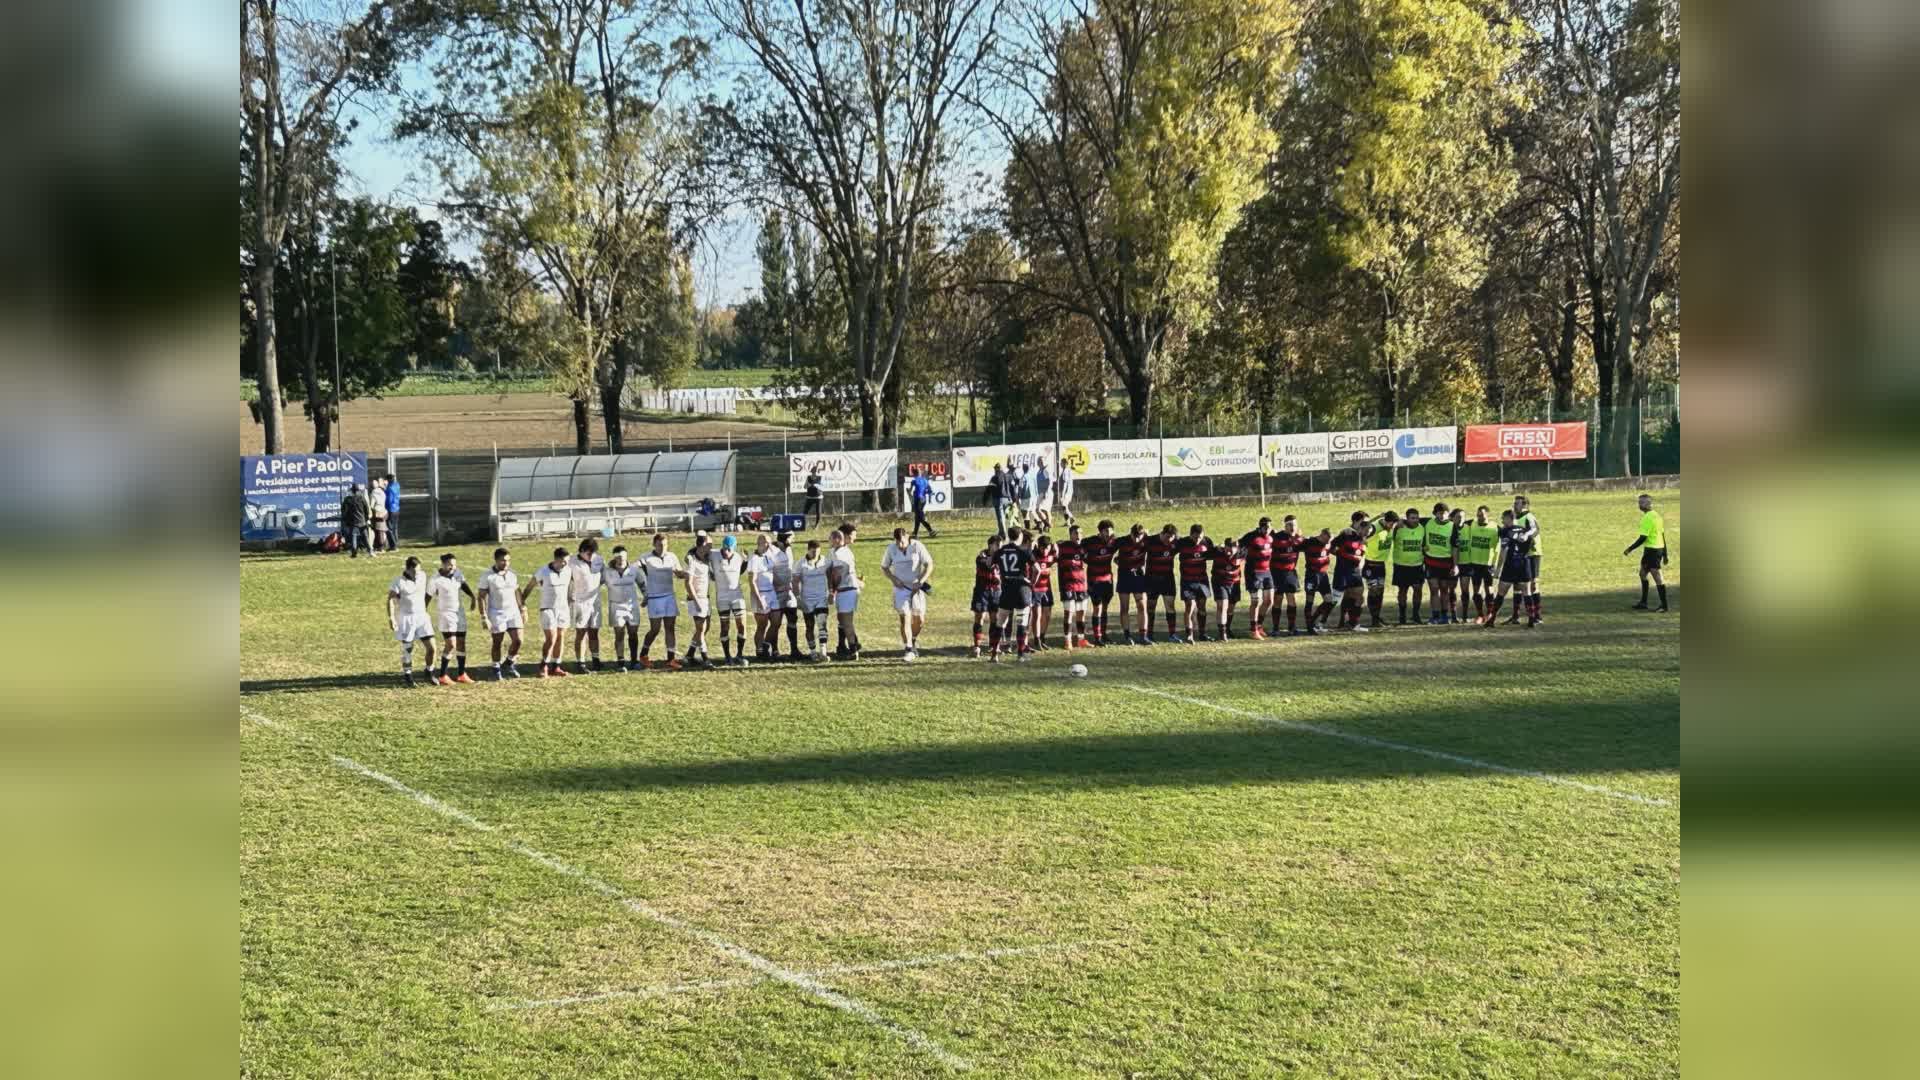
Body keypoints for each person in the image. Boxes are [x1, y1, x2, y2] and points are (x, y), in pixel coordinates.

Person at [881, 526, 934, 660]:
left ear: (907, 537)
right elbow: (884, 567)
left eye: (902, 543)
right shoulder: (891, 549)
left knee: (919, 619)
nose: (900, 546)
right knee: (905, 616)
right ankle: (908, 648)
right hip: (901, 588)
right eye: (898, 543)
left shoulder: (917, 546)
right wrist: (894, 579)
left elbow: (929, 565)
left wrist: (921, 581)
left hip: (916, 587)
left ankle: (913, 640)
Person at [425, 552, 477, 685]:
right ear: (443, 564)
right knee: (451, 644)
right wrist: (422, 612)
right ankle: (442, 675)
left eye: (454, 564)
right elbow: (428, 597)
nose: (453, 567)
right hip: (446, 614)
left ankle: (461, 674)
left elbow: (463, 584)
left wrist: (472, 597)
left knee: (461, 643)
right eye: (450, 565)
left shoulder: (458, 573)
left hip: (459, 613)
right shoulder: (435, 580)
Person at [521, 547, 573, 676]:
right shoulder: (543, 571)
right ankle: (543, 665)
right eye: (564, 561)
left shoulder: (568, 570)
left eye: (567, 561)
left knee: (560, 636)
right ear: (557, 559)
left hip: (563, 609)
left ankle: (556, 666)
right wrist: (522, 604)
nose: (566, 564)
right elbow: (529, 587)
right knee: (551, 637)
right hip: (547, 608)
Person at [1483, 508, 1539, 627]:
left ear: (1509, 518)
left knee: (1501, 593)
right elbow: (1532, 546)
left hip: (1510, 565)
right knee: (1527, 592)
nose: (1502, 521)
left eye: (1503, 518)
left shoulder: (1505, 531)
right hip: (1524, 564)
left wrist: (1498, 569)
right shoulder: (1525, 531)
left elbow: (1504, 551)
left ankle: (1491, 620)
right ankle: (1532, 619)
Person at [638, 531, 685, 669]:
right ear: (654, 544)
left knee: (670, 628)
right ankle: (643, 655)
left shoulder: (672, 557)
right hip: (654, 598)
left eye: (664, 545)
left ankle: (671, 659)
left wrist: (686, 574)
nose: (662, 548)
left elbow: (679, 573)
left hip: (669, 596)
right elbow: (635, 569)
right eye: (659, 545)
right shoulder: (646, 558)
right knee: (655, 629)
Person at [386, 555, 435, 686]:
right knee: (408, 649)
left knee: (432, 648)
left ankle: (429, 672)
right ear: (407, 569)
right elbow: (390, 600)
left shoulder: (423, 576)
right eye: (414, 571)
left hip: (422, 617)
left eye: (419, 571)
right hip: (407, 619)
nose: (417, 574)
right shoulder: (399, 582)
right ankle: (408, 675)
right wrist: (391, 618)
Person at [477, 547, 525, 679]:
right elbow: (481, 597)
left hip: (513, 611)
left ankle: (509, 663)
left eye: (508, 560)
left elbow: (517, 591)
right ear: (496, 560)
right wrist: (484, 617)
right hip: (496, 613)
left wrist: (523, 608)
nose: (506, 563)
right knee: (497, 642)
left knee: (519, 640)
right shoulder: (487, 576)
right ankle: (496, 669)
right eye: (503, 561)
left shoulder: (512, 575)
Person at [989, 528, 1034, 662]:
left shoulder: (1000, 551)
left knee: (1000, 622)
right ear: (1020, 536)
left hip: (1006, 590)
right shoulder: (1023, 551)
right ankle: (1020, 655)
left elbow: (989, 563)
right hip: (1021, 590)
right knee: (1021, 622)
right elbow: (1036, 568)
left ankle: (994, 655)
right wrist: (1032, 581)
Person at [709, 534, 751, 666]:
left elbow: (740, 570)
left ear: (734, 548)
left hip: (736, 596)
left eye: (730, 549)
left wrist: (746, 561)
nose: (726, 552)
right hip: (722, 598)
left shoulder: (738, 557)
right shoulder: (714, 554)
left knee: (742, 626)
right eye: (725, 548)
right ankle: (727, 657)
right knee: (725, 627)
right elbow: (695, 552)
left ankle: (739, 654)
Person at [1624, 493, 1670, 611]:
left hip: (1652, 551)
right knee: (1642, 574)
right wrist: (1665, 554)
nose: (1639, 505)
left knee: (1657, 577)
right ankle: (1643, 603)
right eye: (1639, 502)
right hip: (1655, 550)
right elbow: (1662, 535)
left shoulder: (1647, 518)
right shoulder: (1657, 516)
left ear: (1648, 504)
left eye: (1642, 503)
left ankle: (1664, 606)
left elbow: (1643, 538)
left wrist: (1630, 549)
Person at [567, 537, 606, 673]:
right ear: (582, 551)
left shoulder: (599, 560)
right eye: (589, 553)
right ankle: (581, 662)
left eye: (594, 553)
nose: (592, 556)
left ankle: (595, 659)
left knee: (594, 631)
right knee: (581, 632)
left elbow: (603, 578)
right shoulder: (571, 562)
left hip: (595, 601)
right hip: (580, 602)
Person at [603, 545, 643, 671]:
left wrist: (647, 596)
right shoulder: (607, 572)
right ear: (614, 558)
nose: (621, 560)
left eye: (623, 557)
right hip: (616, 605)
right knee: (619, 633)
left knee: (633, 633)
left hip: (632, 605)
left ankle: (634, 660)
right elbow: (594, 583)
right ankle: (620, 661)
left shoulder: (634, 569)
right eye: (619, 557)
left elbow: (642, 583)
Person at [827, 528, 864, 660]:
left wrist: (832, 592)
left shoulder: (841, 553)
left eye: (830, 538)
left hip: (847, 590)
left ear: (837, 539)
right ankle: (852, 644)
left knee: (847, 622)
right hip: (844, 589)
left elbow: (836, 575)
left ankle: (854, 649)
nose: (828, 541)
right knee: (843, 620)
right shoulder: (834, 551)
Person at [1331, 515, 1371, 632]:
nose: (1366, 525)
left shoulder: (1362, 535)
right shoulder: (1346, 534)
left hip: (1355, 571)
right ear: (1355, 522)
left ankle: (1353, 623)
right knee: (1336, 599)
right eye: (1363, 522)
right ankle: (1320, 622)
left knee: (1357, 596)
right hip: (1343, 570)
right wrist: (1345, 556)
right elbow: (1332, 547)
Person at [1459, 507, 1499, 623]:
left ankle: (1490, 614)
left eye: (1482, 515)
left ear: (1487, 515)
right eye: (1478, 515)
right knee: (1476, 590)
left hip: (1488, 564)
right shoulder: (1472, 524)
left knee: (1489, 590)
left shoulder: (1494, 527)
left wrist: (1495, 564)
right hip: (1474, 563)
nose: (1479, 517)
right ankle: (1480, 614)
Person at [1423, 501, 1459, 625]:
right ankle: (1435, 616)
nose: (1442, 515)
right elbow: (1410, 522)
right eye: (1440, 513)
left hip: (1445, 562)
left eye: (1445, 513)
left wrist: (1455, 565)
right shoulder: (1427, 522)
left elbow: (1455, 548)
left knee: (1444, 589)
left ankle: (1444, 616)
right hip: (1431, 561)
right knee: (1434, 589)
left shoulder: (1452, 526)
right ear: (1435, 513)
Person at [1173, 524, 1211, 644]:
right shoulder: (1182, 543)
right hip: (1187, 580)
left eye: (1199, 538)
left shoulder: (1207, 542)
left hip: (1202, 580)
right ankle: (1189, 634)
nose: (1197, 540)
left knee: (1202, 607)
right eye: (1195, 538)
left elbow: (1214, 554)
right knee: (1189, 606)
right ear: (1190, 535)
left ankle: (1202, 633)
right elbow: (1169, 551)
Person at [797, 538, 834, 660]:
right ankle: (813, 652)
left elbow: (830, 577)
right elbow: (794, 581)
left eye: (818, 552)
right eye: (813, 552)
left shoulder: (825, 561)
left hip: (821, 598)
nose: (815, 554)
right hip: (807, 599)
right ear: (808, 550)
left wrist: (831, 592)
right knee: (809, 626)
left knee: (822, 623)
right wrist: (798, 598)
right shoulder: (800, 564)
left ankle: (823, 651)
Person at [1240, 517, 1276, 639]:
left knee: (1269, 601)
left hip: (1267, 572)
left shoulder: (1272, 536)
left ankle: (1259, 625)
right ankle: (1253, 629)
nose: (1268, 530)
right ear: (1260, 527)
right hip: (1253, 572)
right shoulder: (1251, 537)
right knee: (1256, 601)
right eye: (1265, 527)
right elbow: (1238, 545)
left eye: (1269, 527)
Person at [969, 533, 1004, 658]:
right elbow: (988, 565)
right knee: (980, 617)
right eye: (998, 546)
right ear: (990, 545)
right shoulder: (981, 556)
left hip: (996, 591)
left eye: (1001, 546)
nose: (1000, 548)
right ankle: (977, 646)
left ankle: (993, 645)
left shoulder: (1002, 557)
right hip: (982, 590)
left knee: (995, 619)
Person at [1390, 507, 1427, 625]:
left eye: (1417, 518)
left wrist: (1424, 548)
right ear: (1407, 518)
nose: (1415, 520)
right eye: (1412, 518)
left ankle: (1416, 614)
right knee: (1402, 590)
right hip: (1401, 565)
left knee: (1418, 589)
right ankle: (1402, 616)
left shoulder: (1422, 528)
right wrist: (1397, 522)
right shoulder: (1399, 528)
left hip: (1417, 565)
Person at [770, 531, 803, 661]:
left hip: (788, 592)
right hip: (775, 592)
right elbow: (768, 571)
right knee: (775, 623)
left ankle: (794, 649)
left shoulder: (789, 549)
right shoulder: (771, 551)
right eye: (792, 537)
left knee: (792, 618)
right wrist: (776, 585)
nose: (794, 539)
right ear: (786, 538)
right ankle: (774, 650)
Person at [1083, 520, 1117, 645]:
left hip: (1108, 580)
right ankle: (1097, 637)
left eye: (1110, 530)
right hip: (1094, 580)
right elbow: (1077, 548)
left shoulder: (1114, 542)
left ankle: (1104, 634)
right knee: (1097, 608)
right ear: (1100, 532)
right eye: (1106, 531)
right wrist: (1087, 560)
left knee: (1105, 608)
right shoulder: (1089, 542)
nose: (1108, 533)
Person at [1143, 523, 1178, 643]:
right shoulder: (1150, 541)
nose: (1169, 540)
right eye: (1168, 537)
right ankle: (1149, 634)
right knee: (1150, 607)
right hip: (1152, 579)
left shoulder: (1175, 542)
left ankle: (1172, 634)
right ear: (1162, 534)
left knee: (1170, 606)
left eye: (1172, 538)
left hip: (1167, 579)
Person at [1056, 524, 1090, 649]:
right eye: (1076, 533)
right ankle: (1068, 640)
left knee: (1081, 613)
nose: (1079, 536)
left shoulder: (1083, 548)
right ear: (1070, 535)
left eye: (1080, 533)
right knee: (1069, 613)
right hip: (1068, 586)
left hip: (1081, 586)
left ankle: (1081, 639)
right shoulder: (1062, 547)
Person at [1115, 523, 1150, 645]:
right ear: (1130, 533)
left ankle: (1143, 636)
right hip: (1124, 576)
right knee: (1125, 607)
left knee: (1142, 606)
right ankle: (1127, 636)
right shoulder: (1122, 541)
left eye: (1139, 536)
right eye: (1134, 536)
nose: (1136, 539)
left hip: (1139, 577)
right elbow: (1112, 553)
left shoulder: (1147, 539)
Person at [684, 533, 714, 667]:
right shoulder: (692, 562)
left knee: (704, 629)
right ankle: (705, 658)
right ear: (702, 546)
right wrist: (696, 601)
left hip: (705, 599)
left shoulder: (706, 560)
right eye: (709, 545)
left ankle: (689, 655)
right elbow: (688, 583)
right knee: (701, 629)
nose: (711, 547)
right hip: (696, 599)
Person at [1512, 495, 1544, 624]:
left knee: (1533, 584)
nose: (1514, 506)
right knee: (1518, 584)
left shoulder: (1529, 517)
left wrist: (1525, 536)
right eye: (1514, 503)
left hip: (1532, 554)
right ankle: (1515, 616)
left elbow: (1535, 529)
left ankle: (1537, 615)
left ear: (1524, 505)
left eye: (1517, 504)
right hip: (1520, 555)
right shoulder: (1515, 518)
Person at [1271, 516, 1304, 636]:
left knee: (1292, 599)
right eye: (1290, 525)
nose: (1292, 527)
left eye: (1295, 525)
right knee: (1278, 600)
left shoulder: (1299, 539)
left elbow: (1310, 544)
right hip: (1277, 573)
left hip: (1291, 572)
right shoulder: (1277, 537)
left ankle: (1292, 626)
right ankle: (1275, 628)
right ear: (1285, 525)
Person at [1363, 510, 1397, 628]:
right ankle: (1374, 619)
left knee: (1380, 592)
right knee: (1373, 591)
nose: (1392, 527)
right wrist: (1376, 516)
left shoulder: (1390, 528)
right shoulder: (1374, 528)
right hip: (1370, 565)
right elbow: (1362, 529)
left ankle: (1377, 616)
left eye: (1393, 524)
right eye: (1391, 524)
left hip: (1381, 565)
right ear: (1385, 521)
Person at [748, 533, 778, 661]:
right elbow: (752, 581)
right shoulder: (754, 559)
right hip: (760, 594)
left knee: (777, 621)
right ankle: (759, 651)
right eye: (768, 542)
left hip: (772, 592)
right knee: (762, 625)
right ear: (761, 543)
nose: (770, 545)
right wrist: (759, 599)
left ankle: (766, 644)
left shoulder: (769, 555)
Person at [1208, 533, 1243, 641]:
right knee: (1222, 606)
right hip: (1220, 582)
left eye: (1233, 547)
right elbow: (1204, 554)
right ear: (1225, 546)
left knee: (1231, 608)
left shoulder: (1242, 552)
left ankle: (1227, 629)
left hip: (1234, 583)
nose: (1230, 550)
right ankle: (1222, 633)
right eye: (1228, 547)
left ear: (1237, 548)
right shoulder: (1217, 552)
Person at [1300, 527, 1334, 634]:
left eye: (1329, 541)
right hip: (1312, 575)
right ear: (1322, 534)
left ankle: (1312, 621)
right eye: (1326, 540)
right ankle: (1309, 627)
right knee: (1309, 601)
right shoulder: (1310, 542)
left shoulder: (1329, 544)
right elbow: (1297, 545)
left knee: (1329, 600)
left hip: (1323, 576)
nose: (1327, 543)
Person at [1028, 533, 1057, 649]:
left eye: (1047, 547)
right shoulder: (1033, 555)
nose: (1045, 550)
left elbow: (1058, 552)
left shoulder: (1052, 555)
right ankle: (1037, 639)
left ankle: (1043, 637)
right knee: (1037, 615)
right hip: (1035, 589)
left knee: (1048, 614)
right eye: (1042, 547)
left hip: (1047, 589)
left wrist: (1056, 546)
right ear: (1038, 547)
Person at [340, 484, 372, 557]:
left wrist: (345, 519)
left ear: (351, 491)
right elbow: (366, 509)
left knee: (353, 537)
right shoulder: (362, 498)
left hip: (353, 521)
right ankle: (370, 551)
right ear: (358, 490)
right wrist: (366, 519)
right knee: (365, 537)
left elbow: (344, 511)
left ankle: (354, 553)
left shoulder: (348, 499)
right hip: (362, 521)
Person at [986, 463, 1016, 538]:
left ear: (996, 469)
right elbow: (1013, 488)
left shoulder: (994, 478)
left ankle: (1004, 533)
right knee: (1004, 516)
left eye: (995, 469)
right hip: (1008, 499)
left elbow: (990, 489)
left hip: (998, 499)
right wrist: (1014, 499)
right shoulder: (1009, 476)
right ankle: (1001, 531)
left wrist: (988, 498)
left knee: (1000, 517)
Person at [909, 466, 938, 539]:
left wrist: (909, 491)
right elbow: (930, 490)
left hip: (917, 500)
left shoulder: (914, 481)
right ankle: (915, 534)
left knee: (919, 517)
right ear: (920, 473)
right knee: (917, 517)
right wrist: (928, 494)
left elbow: (910, 491)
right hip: (923, 500)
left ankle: (931, 530)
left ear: (913, 474)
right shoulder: (925, 480)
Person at [1054, 457, 1077, 528]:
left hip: (1066, 492)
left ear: (1065, 463)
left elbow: (1065, 483)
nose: (1060, 464)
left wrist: (1063, 494)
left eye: (1061, 463)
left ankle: (1071, 518)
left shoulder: (1065, 471)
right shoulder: (1068, 470)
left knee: (1064, 506)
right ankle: (1068, 521)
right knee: (1064, 507)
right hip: (1068, 491)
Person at [370, 477, 390, 554]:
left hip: (377, 513)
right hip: (384, 512)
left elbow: (372, 505)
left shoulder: (374, 493)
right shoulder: (382, 492)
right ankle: (383, 545)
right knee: (383, 530)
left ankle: (380, 547)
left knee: (378, 531)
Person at [1032, 459, 1053, 532]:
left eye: (1042, 461)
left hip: (1045, 492)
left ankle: (1047, 524)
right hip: (1041, 492)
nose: (1041, 463)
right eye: (1039, 461)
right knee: (1044, 511)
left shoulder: (1045, 470)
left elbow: (1050, 482)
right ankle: (1047, 526)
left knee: (1039, 510)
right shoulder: (1040, 471)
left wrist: (1046, 492)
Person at [383, 473, 402, 546]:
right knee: (395, 527)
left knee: (389, 528)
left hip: (391, 509)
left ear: (389, 480)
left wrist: (386, 509)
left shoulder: (389, 488)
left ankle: (393, 545)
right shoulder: (397, 485)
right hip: (397, 508)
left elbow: (389, 500)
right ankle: (396, 542)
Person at [1017, 463, 1038, 529]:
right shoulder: (1032, 476)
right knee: (1032, 511)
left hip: (1026, 496)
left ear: (1023, 468)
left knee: (1024, 511)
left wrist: (1018, 496)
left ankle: (1028, 526)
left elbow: (1020, 487)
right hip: (1033, 496)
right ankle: (1039, 523)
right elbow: (1036, 485)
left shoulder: (1023, 477)